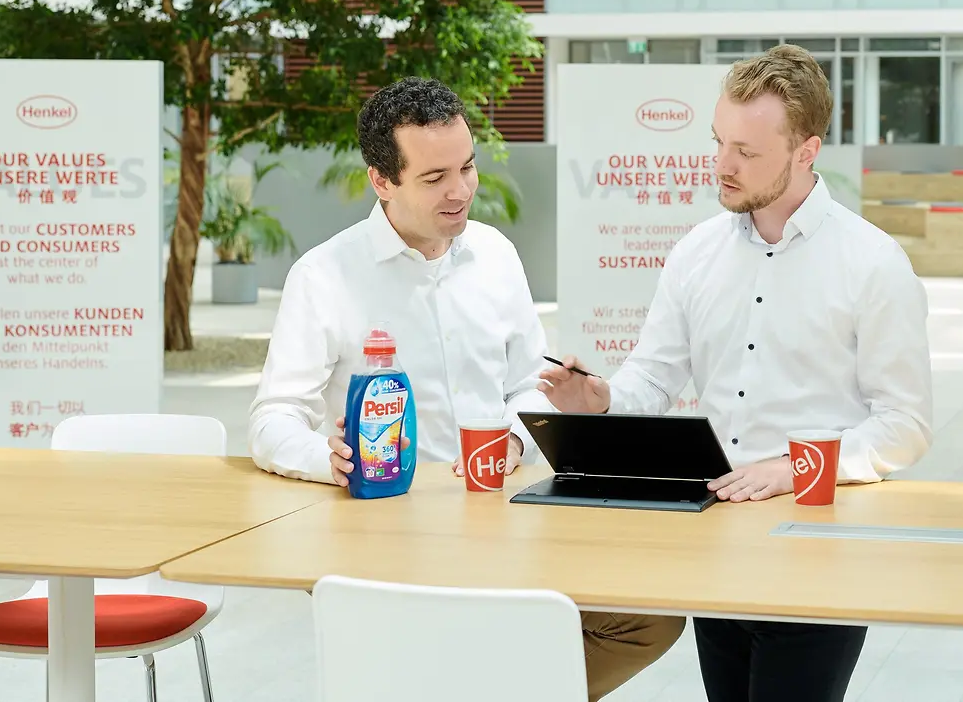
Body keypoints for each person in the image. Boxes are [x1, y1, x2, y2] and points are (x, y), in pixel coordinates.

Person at [249, 77, 683, 701]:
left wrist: (512, 439)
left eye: (468, 167)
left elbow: (530, 387)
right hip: (388, 539)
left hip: (502, 524)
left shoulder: (497, 255)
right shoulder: (323, 276)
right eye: (434, 179)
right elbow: (272, 420)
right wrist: (331, 459)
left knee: (649, 619)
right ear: (381, 181)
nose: (460, 192)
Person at [537, 46, 933, 702]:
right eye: (719, 141)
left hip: (820, 547)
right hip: (715, 535)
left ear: (806, 151)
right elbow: (654, 377)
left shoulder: (874, 265)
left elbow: (906, 424)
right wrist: (600, 396)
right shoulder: (695, 253)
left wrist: (794, 465)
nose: (722, 164)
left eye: (746, 151)